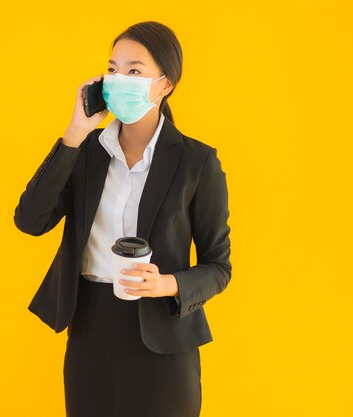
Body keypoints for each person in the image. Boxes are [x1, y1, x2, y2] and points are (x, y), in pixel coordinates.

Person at [13, 21, 232, 417]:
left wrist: (168, 284)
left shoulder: (198, 162)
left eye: (134, 71)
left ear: (165, 85)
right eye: (112, 69)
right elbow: (30, 220)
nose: (119, 79)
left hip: (165, 336)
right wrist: (76, 132)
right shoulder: (85, 151)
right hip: (92, 330)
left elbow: (219, 266)